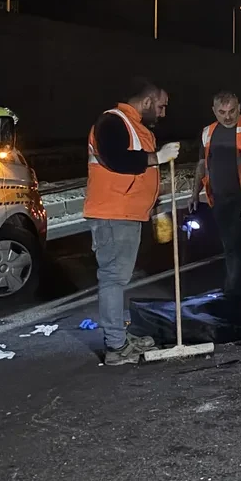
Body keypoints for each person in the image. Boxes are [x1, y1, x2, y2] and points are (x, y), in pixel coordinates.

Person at [83, 80, 181, 365]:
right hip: (114, 213)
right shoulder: (112, 121)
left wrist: (156, 208)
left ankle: (120, 339)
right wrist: (157, 157)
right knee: (114, 278)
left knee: (118, 277)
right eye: (161, 106)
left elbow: (141, 175)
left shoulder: (138, 128)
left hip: (127, 213)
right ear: (148, 101)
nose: (162, 113)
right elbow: (116, 159)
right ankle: (116, 347)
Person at [189, 92, 241, 327]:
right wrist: (194, 193)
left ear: (240, 107)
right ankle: (237, 291)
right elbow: (202, 164)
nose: (227, 117)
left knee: (239, 247)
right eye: (222, 112)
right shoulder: (208, 132)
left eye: (232, 111)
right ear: (214, 110)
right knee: (231, 248)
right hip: (219, 199)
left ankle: (236, 294)